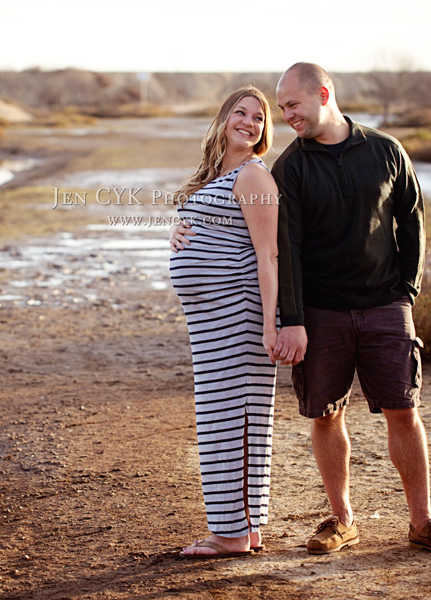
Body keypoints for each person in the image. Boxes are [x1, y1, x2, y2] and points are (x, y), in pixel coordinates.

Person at [170, 63, 431, 557]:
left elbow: (412, 223)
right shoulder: (290, 166)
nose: (285, 116)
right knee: (326, 415)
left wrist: (406, 293)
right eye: (280, 109)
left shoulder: (386, 151)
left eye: (290, 106)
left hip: (383, 305)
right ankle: (343, 520)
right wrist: (294, 319)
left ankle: (423, 521)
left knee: (404, 410)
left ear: (323, 94)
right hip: (322, 311)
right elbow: (282, 245)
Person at [169, 85, 280, 558]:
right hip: (211, 322)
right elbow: (212, 230)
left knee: (233, 419)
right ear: (224, 118)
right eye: (241, 112)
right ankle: (245, 528)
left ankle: (231, 534)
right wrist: (178, 230)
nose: (250, 122)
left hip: (238, 315)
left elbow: (268, 253)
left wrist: (271, 325)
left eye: (259, 117)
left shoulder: (254, 177)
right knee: (228, 418)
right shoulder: (219, 174)